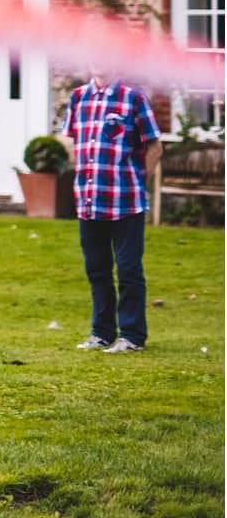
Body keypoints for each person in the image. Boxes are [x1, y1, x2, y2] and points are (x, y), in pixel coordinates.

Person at [60, 68, 162, 353]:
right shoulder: (78, 97)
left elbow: (154, 145)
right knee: (97, 270)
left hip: (126, 200)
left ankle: (132, 337)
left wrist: (141, 181)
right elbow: (71, 141)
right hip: (89, 200)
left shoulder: (133, 99)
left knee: (129, 270)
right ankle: (102, 333)